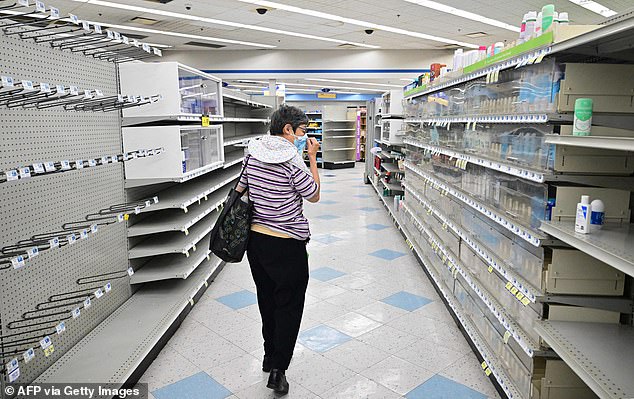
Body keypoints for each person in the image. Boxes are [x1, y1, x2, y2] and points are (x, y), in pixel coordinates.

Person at [236, 105, 320, 395]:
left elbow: (242, 188)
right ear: (287, 129)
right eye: (302, 131)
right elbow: (314, 195)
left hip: (257, 243)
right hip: (287, 244)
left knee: (267, 300)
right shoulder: (293, 159)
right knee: (289, 305)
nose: (303, 136)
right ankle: (278, 370)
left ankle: (268, 354)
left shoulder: (252, 153)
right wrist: (312, 157)